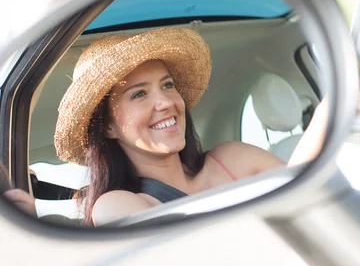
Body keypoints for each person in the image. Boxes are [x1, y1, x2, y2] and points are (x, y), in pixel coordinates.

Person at [10, 28, 327, 227]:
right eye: (139, 94)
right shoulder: (117, 204)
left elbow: (309, 193)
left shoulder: (233, 158)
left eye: (167, 85)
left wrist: (332, 115)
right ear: (108, 127)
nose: (165, 102)